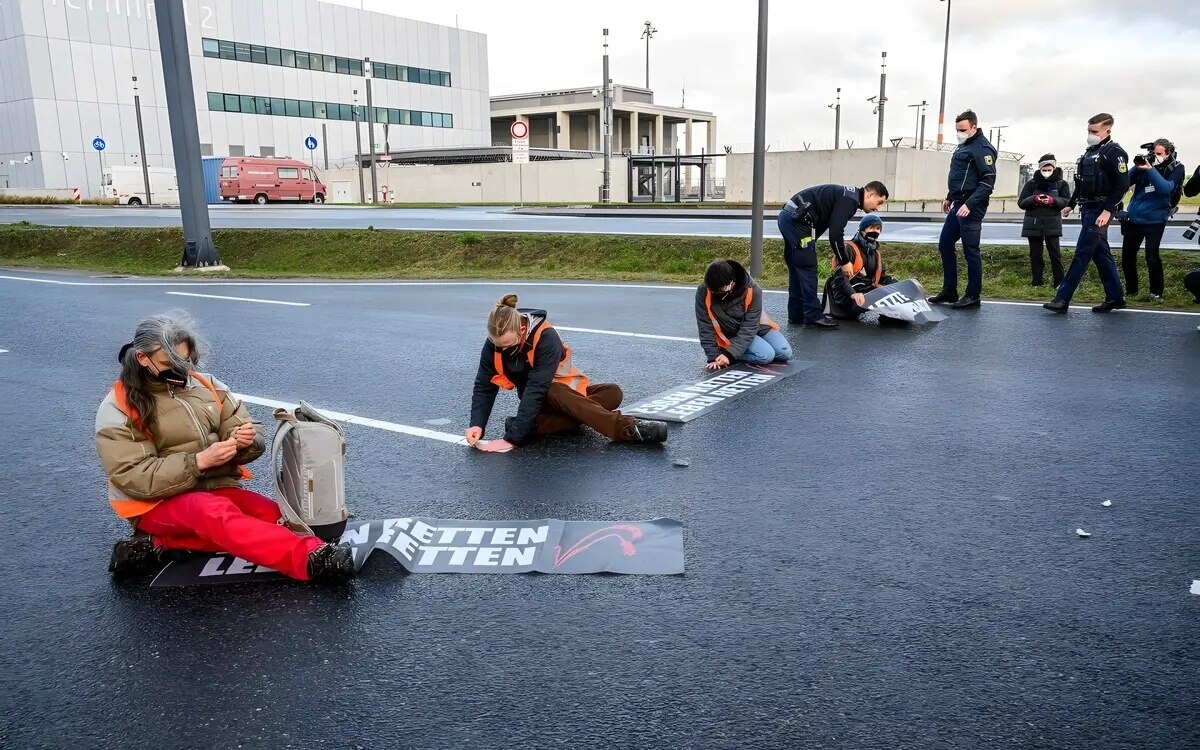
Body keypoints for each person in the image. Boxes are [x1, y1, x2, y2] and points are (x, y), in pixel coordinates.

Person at [96, 315, 355, 582]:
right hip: (153, 504)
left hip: (215, 489)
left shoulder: (207, 384)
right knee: (214, 515)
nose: (181, 369)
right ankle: (312, 559)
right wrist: (198, 462)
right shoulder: (118, 406)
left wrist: (243, 439)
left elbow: (247, 427)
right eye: (169, 363)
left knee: (276, 518)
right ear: (142, 358)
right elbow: (132, 475)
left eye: (185, 361)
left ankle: (161, 544)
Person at [467, 295, 668, 453]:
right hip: (543, 397)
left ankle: (535, 425)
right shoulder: (494, 344)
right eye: (497, 344)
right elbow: (484, 385)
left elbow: (538, 386)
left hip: (557, 392)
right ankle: (625, 428)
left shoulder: (546, 337)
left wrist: (515, 433)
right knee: (553, 390)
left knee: (613, 392)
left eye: (508, 344)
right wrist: (477, 424)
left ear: (521, 328)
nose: (502, 349)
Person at [1045, 113, 1131, 314]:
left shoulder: (1115, 153)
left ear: (1107, 130)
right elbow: (1082, 183)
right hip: (1088, 208)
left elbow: (1122, 185)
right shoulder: (1089, 152)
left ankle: (1062, 298)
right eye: (1089, 131)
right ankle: (1116, 297)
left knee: (1082, 252)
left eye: (1094, 131)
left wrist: (1108, 210)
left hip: (1101, 210)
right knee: (1101, 255)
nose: (1090, 135)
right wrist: (1071, 204)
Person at [777, 180, 890, 329]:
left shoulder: (848, 195)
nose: (878, 208)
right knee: (808, 267)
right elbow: (836, 233)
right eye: (879, 202)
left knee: (796, 267)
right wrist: (844, 261)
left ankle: (796, 314)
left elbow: (825, 221)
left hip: (790, 217)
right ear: (870, 194)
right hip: (797, 221)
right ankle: (812, 315)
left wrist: (811, 243)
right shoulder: (850, 200)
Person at [929, 110, 998, 309]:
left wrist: (970, 204)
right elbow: (960, 175)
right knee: (945, 244)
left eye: (963, 129)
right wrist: (950, 196)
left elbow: (988, 182)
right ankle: (950, 291)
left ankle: (973, 295)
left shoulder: (982, 148)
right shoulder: (963, 146)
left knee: (971, 250)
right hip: (958, 204)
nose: (959, 133)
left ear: (974, 127)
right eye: (957, 129)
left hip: (972, 207)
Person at [695, 258, 792, 370]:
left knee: (785, 353)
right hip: (730, 333)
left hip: (754, 327)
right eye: (712, 290)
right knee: (766, 355)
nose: (714, 293)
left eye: (718, 291)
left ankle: (730, 352)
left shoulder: (753, 290)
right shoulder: (704, 291)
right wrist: (714, 356)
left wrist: (729, 354)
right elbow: (704, 326)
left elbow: (750, 326)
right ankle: (724, 352)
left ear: (731, 283)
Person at [1120, 138, 1185, 301]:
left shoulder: (1176, 168)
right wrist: (1137, 167)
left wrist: (1150, 170)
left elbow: (1165, 188)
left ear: (1168, 154)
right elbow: (1124, 183)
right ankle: (1131, 290)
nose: (1155, 157)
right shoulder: (1144, 167)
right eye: (1153, 153)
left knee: (1151, 255)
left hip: (1155, 219)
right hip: (1135, 217)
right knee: (1127, 256)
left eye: (1159, 154)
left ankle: (1156, 292)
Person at [821, 213, 896, 319]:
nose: (875, 231)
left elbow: (881, 277)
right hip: (846, 296)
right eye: (871, 227)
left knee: (893, 284)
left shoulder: (875, 253)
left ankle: (891, 316)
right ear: (862, 230)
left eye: (878, 228)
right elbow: (840, 278)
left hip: (865, 290)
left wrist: (895, 287)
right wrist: (853, 294)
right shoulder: (849, 249)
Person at [1017, 155, 1071, 287]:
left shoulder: (1061, 184)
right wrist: (1034, 199)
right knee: (1035, 255)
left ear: (1054, 168)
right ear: (1040, 168)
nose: (1046, 171)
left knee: (1055, 255)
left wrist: (1053, 201)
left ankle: (1059, 282)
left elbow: (1066, 201)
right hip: (1033, 224)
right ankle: (1037, 282)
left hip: (1052, 224)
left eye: (1049, 169)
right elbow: (1022, 202)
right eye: (1044, 169)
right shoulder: (1031, 184)